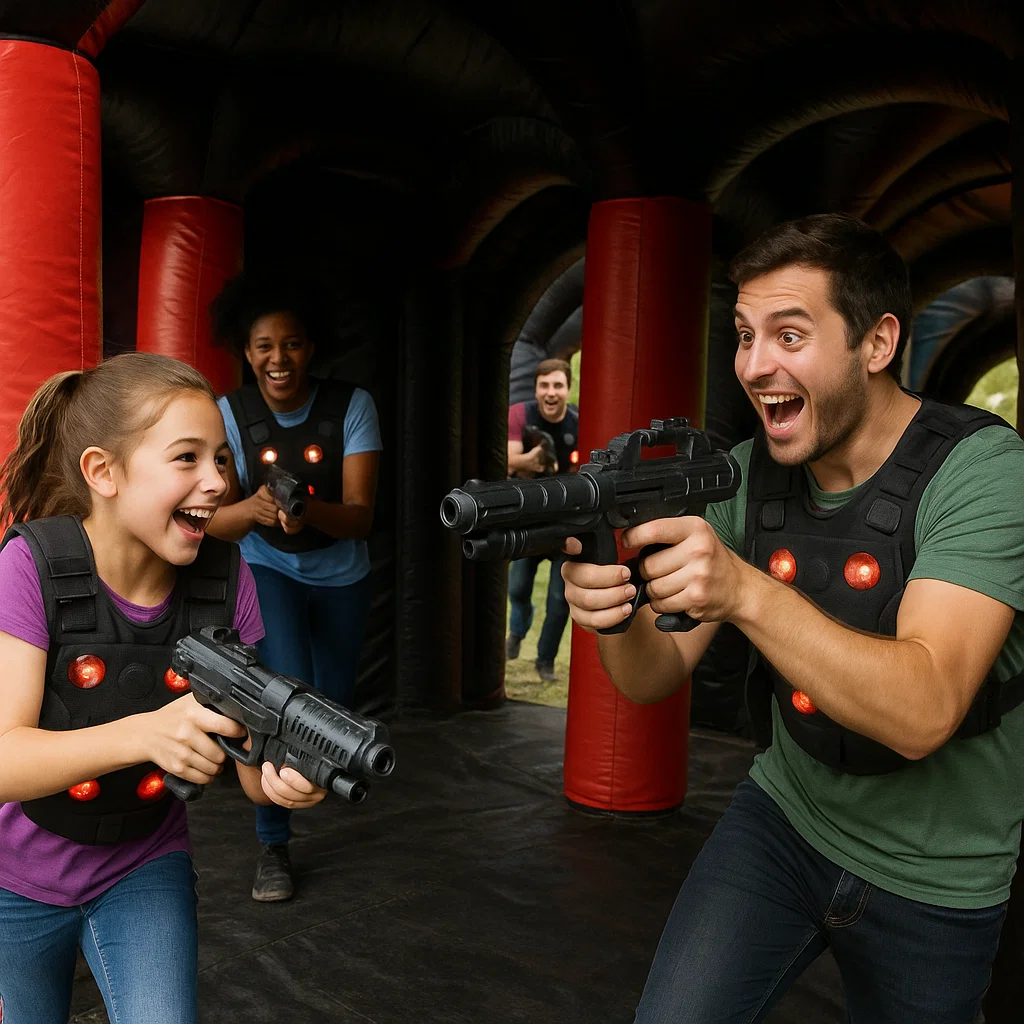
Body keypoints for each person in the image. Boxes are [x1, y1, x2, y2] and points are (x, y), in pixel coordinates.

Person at [562, 213, 1024, 1023]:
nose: (754, 364)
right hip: (784, 820)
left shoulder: (983, 473)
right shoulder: (745, 475)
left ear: (877, 344)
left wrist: (744, 591)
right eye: (744, 335)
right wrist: (610, 614)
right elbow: (650, 678)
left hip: (938, 873)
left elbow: (924, 711)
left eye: (789, 334)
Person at [0, 353, 326, 1024]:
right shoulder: (30, 567)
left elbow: (253, 770)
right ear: (104, 473)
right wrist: (145, 732)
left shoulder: (227, 583)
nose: (216, 480)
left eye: (222, 460)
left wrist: (289, 778)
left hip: (143, 865)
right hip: (15, 879)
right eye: (186, 458)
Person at [206, 275, 381, 903]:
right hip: (266, 570)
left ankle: (273, 787)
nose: (277, 360)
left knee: (328, 708)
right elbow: (210, 522)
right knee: (283, 697)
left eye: (292, 345)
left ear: (313, 347)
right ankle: (271, 843)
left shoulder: (352, 404)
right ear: (245, 351)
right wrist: (253, 509)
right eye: (263, 347)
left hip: (342, 575)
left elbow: (361, 516)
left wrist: (308, 513)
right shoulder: (229, 413)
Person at [506, 358, 580, 682]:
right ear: (536, 388)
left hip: (565, 525)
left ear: (568, 389)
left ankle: (545, 660)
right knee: (518, 588)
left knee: (558, 600)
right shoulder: (520, 414)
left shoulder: (579, 422)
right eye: (544, 385)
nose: (551, 393)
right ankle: (519, 629)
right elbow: (508, 459)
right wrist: (531, 461)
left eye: (558, 385)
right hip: (530, 523)